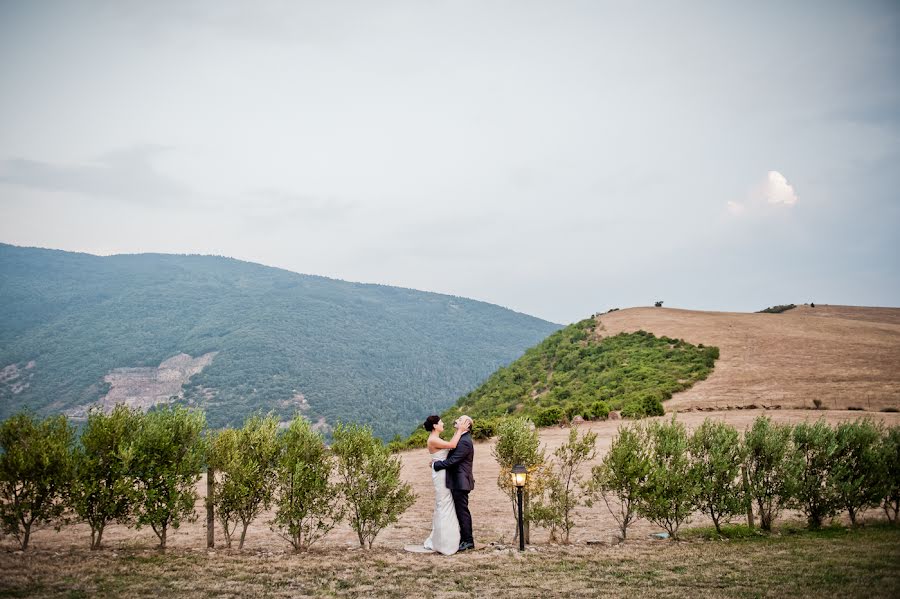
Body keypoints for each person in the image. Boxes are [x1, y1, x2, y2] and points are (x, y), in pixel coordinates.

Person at [422, 415, 468, 555]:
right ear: (435, 426)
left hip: (442, 471)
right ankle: (445, 542)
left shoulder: (435, 438)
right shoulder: (434, 439)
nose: (443, 423)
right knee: (444, 503)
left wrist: (435, 462)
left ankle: (444, 538)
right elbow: (452, 445)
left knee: (445, 503)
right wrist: (460, 430)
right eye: (440, 422)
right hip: (441, 474)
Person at [432, 415, 475, 552]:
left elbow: (453, 461)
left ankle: (468, 541)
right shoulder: (461, 438)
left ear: (467, 425)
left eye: (460, 419)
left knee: (462, 512)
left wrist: (437, 465)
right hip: (457, 480)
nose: (456, 420)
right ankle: (463, 539)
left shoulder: (465, 441)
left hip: (460, 481)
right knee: (459, 511)